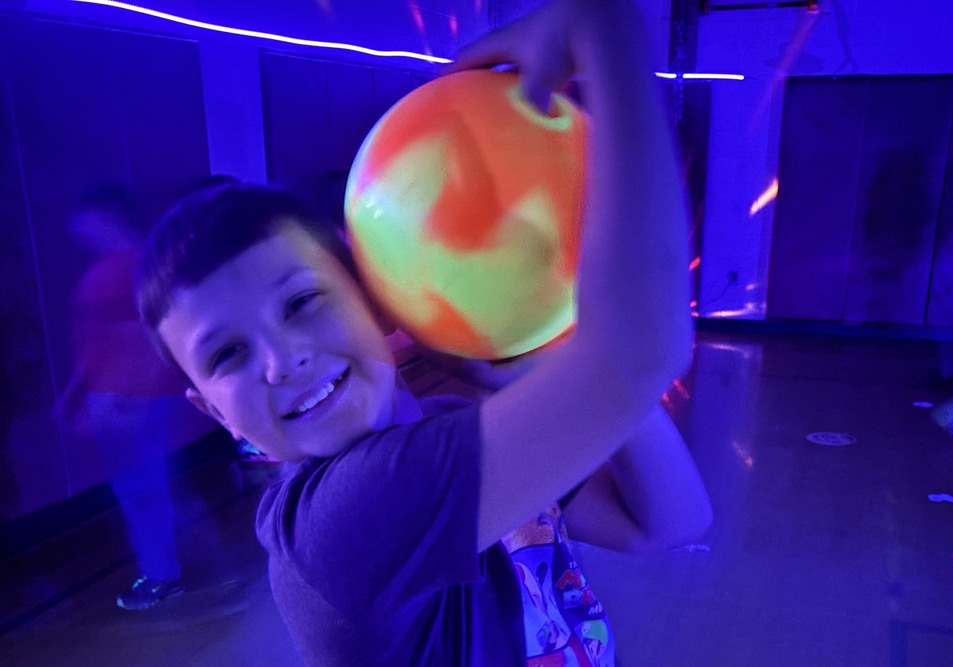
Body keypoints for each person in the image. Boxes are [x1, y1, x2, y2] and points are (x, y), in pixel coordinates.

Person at [134, 0, 711, 663]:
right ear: (212, 409)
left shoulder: (451, 431)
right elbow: (641, 350)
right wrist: (605, 29)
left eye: (301, 303)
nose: (280, 360)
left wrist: (552, 350)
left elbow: (666, 520)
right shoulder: (339, 521)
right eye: (228, 353)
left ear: (378, 295)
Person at [55, 183, 187, 610]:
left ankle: (162, 576)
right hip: (114, 395)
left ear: (107, 215)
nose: (80, 231)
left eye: (87, 221)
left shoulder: (137, 267)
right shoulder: (117, 266)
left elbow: (147, 339)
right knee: (140, 488)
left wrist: (128, 398)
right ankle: (162, 569)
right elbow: (95, 343)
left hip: (129, 399)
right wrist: (75, 394)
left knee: (143, 490)